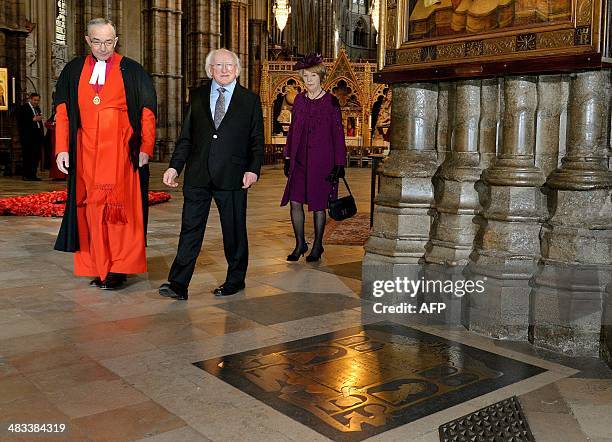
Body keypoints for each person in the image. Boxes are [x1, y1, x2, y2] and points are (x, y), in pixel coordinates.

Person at [53, 18, 157, 290]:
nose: (103, 47)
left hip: (122, 155)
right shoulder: (74, 69)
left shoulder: (132, 70)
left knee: (120, 212)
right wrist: (62, 148)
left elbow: (147, 112)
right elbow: (63, 112)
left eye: (109, 41)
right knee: (91, 211)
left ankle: (119, 268)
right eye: (97, 41)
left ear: (116, 39)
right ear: (87, 40)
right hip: (86, 153)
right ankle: (98, 266)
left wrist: (146, 147)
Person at [159, 48, 264, 300]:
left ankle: (235, 280)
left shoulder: (249, 100)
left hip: (233, 175)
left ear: (237, 70)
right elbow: (185, 137)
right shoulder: (196, 97)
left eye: (229, 65)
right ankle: (178, 284)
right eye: (218, 66)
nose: (224, 70)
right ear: (210, 70)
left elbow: (257, 141)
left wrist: (253, 169)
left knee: (234, 230)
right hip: (198, 175)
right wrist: (175, 167)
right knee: (190, 229)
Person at [280, 53, 346, 262]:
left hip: (322, 162)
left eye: (313, 77)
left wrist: (339, 163)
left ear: (320, 78)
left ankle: (317, 245)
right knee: (295, 201)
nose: (309, 80)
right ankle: (300, 243)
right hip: (299, 159)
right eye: (306, 76)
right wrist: (288, 156)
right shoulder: (299, 100)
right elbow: (292, 131)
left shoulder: (331, 102)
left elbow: (338, 134)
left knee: (319, 204)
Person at [17, 93, 45, 181]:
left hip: (37, 136)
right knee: (28, 156)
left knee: (36, 156)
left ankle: (33, 175)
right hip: (28, 136)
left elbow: (39, 122)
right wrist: (32, 120)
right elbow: (21, 121)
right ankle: (26, 175)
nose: (36, 102)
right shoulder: (24, 108)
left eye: (38, 100)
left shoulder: (37, 108)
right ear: (30, 99)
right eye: (35, 100)